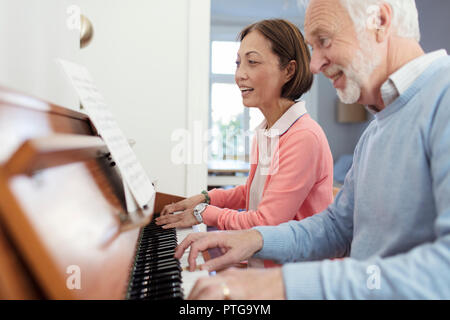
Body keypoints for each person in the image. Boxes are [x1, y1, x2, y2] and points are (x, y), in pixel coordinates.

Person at [174, 0, 450, 299]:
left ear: (380, 21)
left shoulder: (443, 99)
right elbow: (336, 229)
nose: (315, 65)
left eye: (324, 41)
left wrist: (279, 285)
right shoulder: (377, 129)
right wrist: (253, 239)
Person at [156, 20, 333, 238]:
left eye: (252, 62)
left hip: (293, 270)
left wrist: (205, 213)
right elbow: (254, 194)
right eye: (238, 63)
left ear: (288, 70)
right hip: (263, 264)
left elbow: (266, 223)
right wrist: (206, 199)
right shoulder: (269, 130)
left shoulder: (304, 137)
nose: (240, 75)